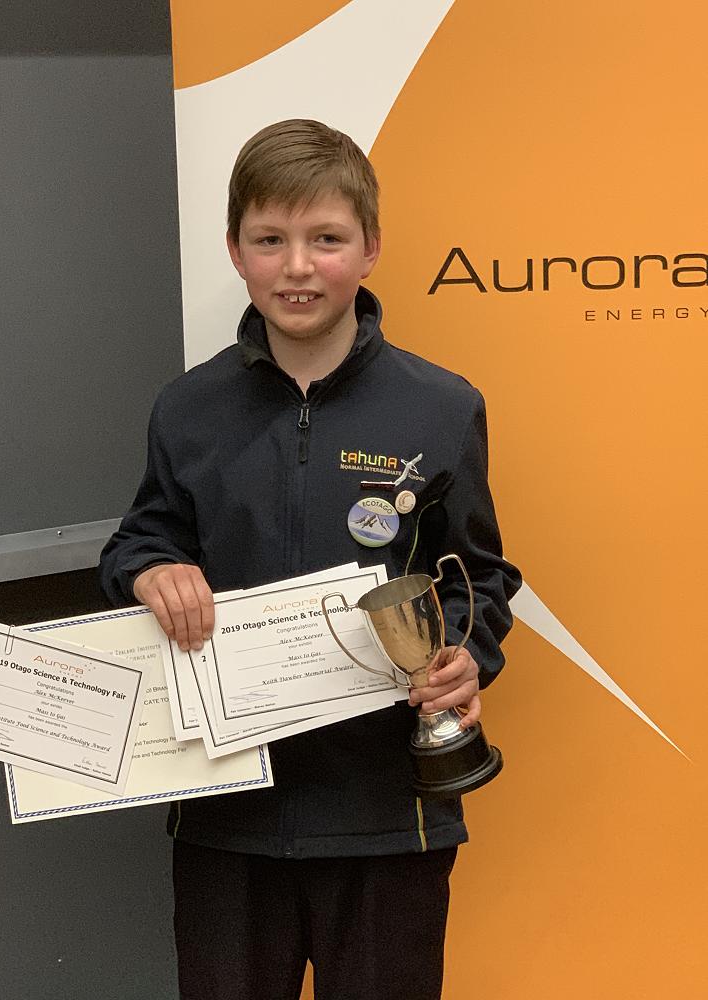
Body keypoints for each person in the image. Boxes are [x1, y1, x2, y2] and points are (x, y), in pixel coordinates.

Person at [99, 119, 521, 1000]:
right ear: (235, 251)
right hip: (225, 814)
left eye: (326, 239)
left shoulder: (442, 407)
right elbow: (142, 538)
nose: (297, 266)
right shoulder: (188, 407)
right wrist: (149, 571)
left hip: (388, 813)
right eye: (270, 240)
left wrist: (463, 658)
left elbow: (479, 575)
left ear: (370, 249)